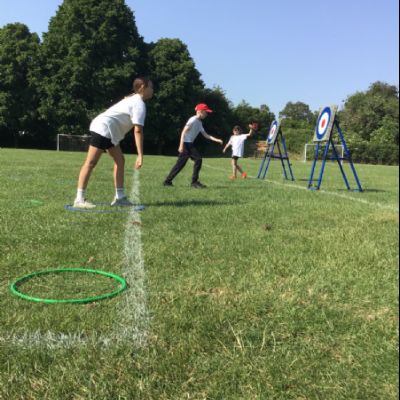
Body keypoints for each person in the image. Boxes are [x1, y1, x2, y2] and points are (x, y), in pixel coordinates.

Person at [73, 77, 153, 208]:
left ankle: (119, 198)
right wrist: (140, 155)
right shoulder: (139, 104)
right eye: (151, 87)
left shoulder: (134, 99)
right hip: (103, 129)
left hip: (109, 132)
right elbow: (138, 131)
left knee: (120, 160)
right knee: (90, 162)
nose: (152, 90)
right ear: (143, 87)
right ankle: (79, 199)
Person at [163, 103, 223, 188]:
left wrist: (217, 140)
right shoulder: (193, 119)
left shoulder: (199, 123)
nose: (207, 114)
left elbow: (206, 135)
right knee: (184, 163)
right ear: (200, 112)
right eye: (206, 112)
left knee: (195, 160)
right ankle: (170, 181)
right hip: (186, 144)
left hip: (189, 144)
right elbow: (183, 131)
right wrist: (181, 145)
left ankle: (191, 182)